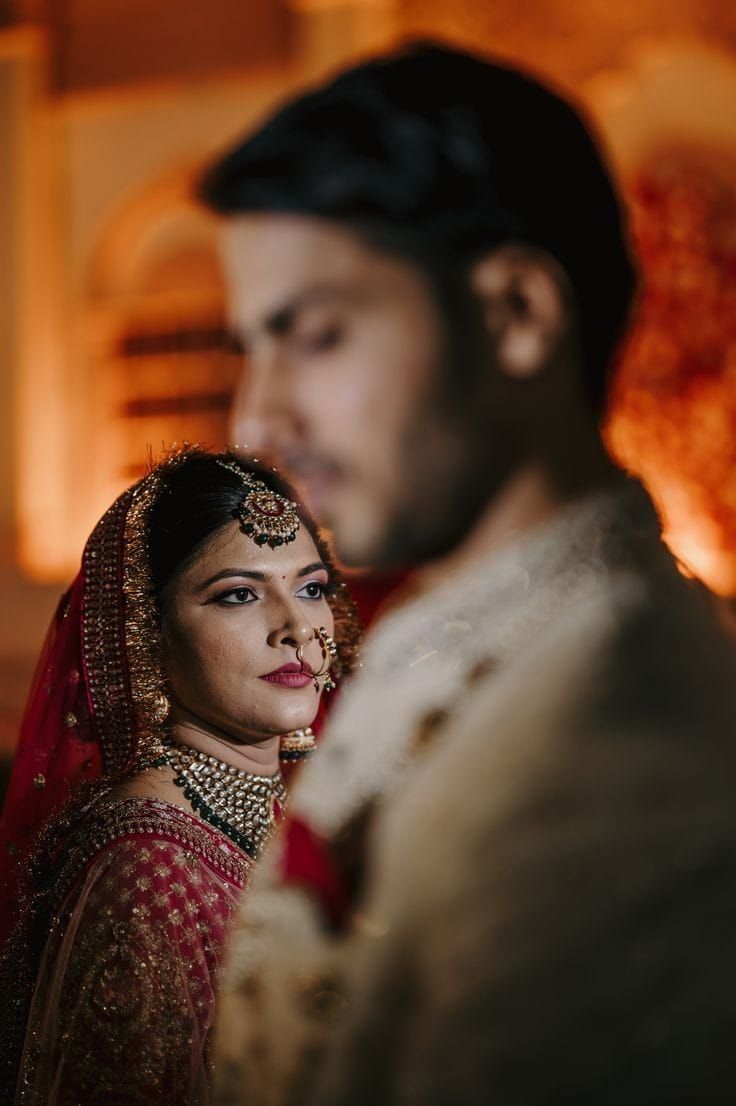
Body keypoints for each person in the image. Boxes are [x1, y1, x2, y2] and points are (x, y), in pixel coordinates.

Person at [200, 42, 736, 1106]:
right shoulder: (469, 627)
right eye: (247, 349)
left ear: (515, 314)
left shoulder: (616, 723)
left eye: (313, 335)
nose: (256, 419)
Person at [0, 446, 359, 1106]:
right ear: (148, 632)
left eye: (310, 588)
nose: (296, 627)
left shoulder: (270, 816)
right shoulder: (149, 867)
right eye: (239, 595)